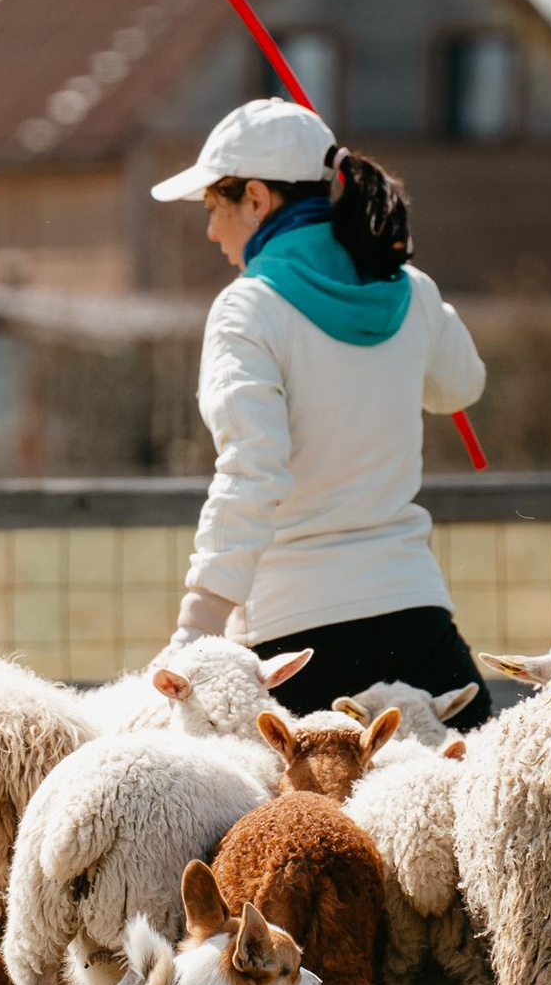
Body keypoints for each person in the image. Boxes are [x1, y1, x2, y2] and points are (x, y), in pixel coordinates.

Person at [150, 98, 493, 731]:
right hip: (418, 624)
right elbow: (461, 386)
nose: (209, 231)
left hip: (299, 641)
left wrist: (194, 631)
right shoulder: (412, 290)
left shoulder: (246, 311)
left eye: (212, 208)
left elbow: (252, 473)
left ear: (256, 199)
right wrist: (405, 274)